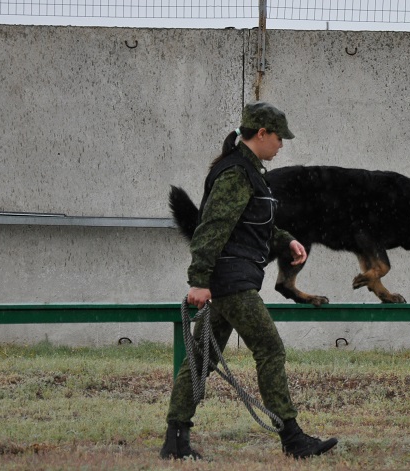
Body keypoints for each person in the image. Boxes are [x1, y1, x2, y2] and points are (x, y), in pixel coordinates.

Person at [160, 102, 338, 460]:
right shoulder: (236, 173)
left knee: (200, 359)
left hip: (232, 279)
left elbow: (253, 224)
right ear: (261, 134)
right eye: (278, 138)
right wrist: (198, 280)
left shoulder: (249, 171)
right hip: (232, 281)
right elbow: (211, 227)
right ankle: (292, 438)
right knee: (270, 348)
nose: (282, 145)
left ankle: (175, 440)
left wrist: (285, 240)